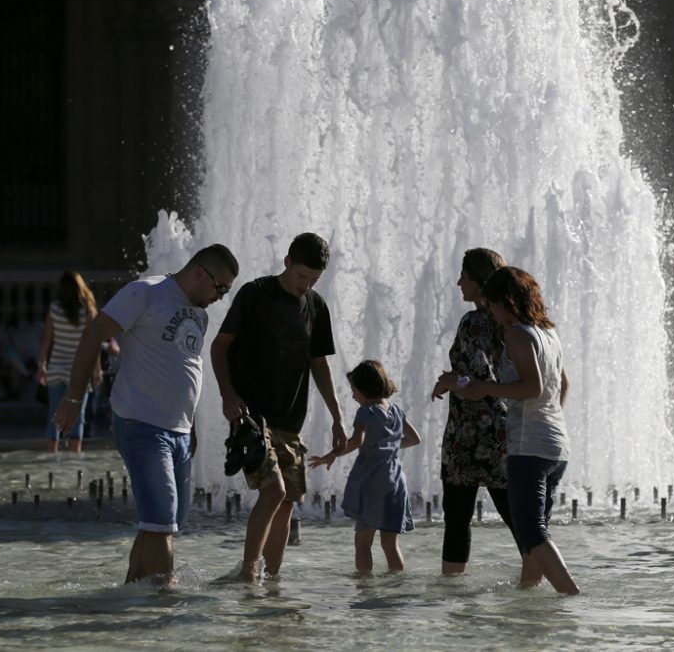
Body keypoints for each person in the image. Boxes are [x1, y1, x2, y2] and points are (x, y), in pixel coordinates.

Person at [51, 245, 239, 586]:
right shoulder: (146, 293)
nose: (221, 297)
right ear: (200, 272)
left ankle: (131, 593)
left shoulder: (200, 314)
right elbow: (94, 333)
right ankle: (164, 605)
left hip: (179, 431)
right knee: (162, 520)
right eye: (220, 288)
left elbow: (188, 370)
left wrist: (191, 425)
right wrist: (73, 397)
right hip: (141, 423)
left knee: (164, 524)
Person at [211, 232, 348, 583]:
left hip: (291, 419)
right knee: (275, 491)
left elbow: (319, 364)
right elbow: (219, 346)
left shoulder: (316, 306)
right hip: (252, 417)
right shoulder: (255, 294)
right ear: (287, 263)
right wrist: (227, 394)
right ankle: (248, 572)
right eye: (302, 276)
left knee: (288, 502)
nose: (306, 285)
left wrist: (336, 416)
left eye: (314, 280)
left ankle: (272, 580)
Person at [457, 267, 580, 594]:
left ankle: (571, 595)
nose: (492, 313)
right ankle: (527, 592)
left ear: (505, 302)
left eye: (493, 305)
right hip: (555, 446)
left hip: (530, 447)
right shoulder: (549, 334)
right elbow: (562, 385)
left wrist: (484, 388)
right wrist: (547, 420)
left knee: (531, 532)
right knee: (534, 532)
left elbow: (532, 388)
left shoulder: (518, 334)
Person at [430, 248, 515, 576]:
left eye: (464, 277)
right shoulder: (508, 320)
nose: (458, 283)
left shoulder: (474, 322)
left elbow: (479, 379)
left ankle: (452, 591)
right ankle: (537, 574)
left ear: (479, 282)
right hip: (500, 431)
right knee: (515, 516)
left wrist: (453, 380)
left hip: (467, 435)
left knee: (457, 519)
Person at [310, 360, 421, 574]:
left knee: (363, 543)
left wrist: (331, 455)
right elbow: (415, 439)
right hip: (396, 480)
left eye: (354, 390)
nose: (353, 396)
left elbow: (356, 441)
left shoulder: (366, 412)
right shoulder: (397, 411)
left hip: (372, 481)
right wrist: (389, 446)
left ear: (365, 388)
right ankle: (396, 586)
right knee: (390, 544)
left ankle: (364, 587)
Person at [39, 271, 101, 452]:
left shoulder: (54, 309)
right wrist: (97, 370)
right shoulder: (88, 310)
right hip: (79, 371)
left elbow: (46, 340)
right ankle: (75, 458)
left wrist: (42, 365)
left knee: (54, 414)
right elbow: (93, 343)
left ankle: (53, 455)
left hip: (56, 367)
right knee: (78, 416)